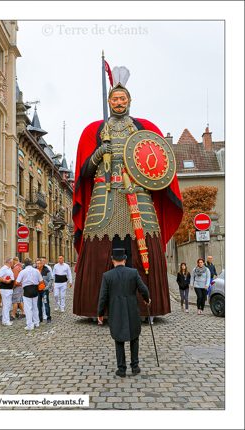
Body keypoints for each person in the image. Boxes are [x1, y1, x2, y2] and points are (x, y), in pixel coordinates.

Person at [72, 66, 183, 318]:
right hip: (104, 194)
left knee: (143, 246)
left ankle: (146, 306)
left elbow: (156, 164)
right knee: (100, 247)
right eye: (114, 99)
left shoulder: (144, 129)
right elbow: (85, 172)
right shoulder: (96, 131)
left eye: (123, 99)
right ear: (109, 102)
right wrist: (99, 152)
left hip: (138, 194)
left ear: (129, 101)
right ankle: (98, 308)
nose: (119, 103)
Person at [98, 248, 150, 377]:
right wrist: (146, 299)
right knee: (134, 337)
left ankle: (121, 369)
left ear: (113, 260)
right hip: (132, 310)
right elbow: (143, 288)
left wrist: (100, 313)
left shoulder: (107, 275)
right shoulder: (133, 273)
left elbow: (102, 296)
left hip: (115, 310)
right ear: (125, 260)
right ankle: (135, 366)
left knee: (118, 339)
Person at [15, 258, 43, 330]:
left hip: (27, 289)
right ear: (31, 263)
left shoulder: (23, 272)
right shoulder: (36, 271)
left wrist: (24, 282)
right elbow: (41, 281)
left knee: (28, 308)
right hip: (35, 289)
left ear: (25, 264)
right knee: (35, 307)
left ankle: (30, 325)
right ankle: (36, 322)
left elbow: (17, 282)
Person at [0, 258, 15, 326]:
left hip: (9, 288)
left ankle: (7, 319)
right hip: (5, 288)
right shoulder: (3, 269)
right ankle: (5, 320)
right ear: (10, 262)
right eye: (12, 262)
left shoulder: (9, 268)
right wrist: (6, 281)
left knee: (8, 304)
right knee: (6, 304)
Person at [36, 258, 53, 323]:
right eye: (36, 263)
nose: (37, 265)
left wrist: (47, 287)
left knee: (46, 303)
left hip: (44, 290)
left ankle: (48, 317)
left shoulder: (46, 270)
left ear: (42, 264)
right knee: (39, 305)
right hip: (37, 290)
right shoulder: (35, 270)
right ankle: (40, 318)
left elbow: (51, 279)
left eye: (39, 263)